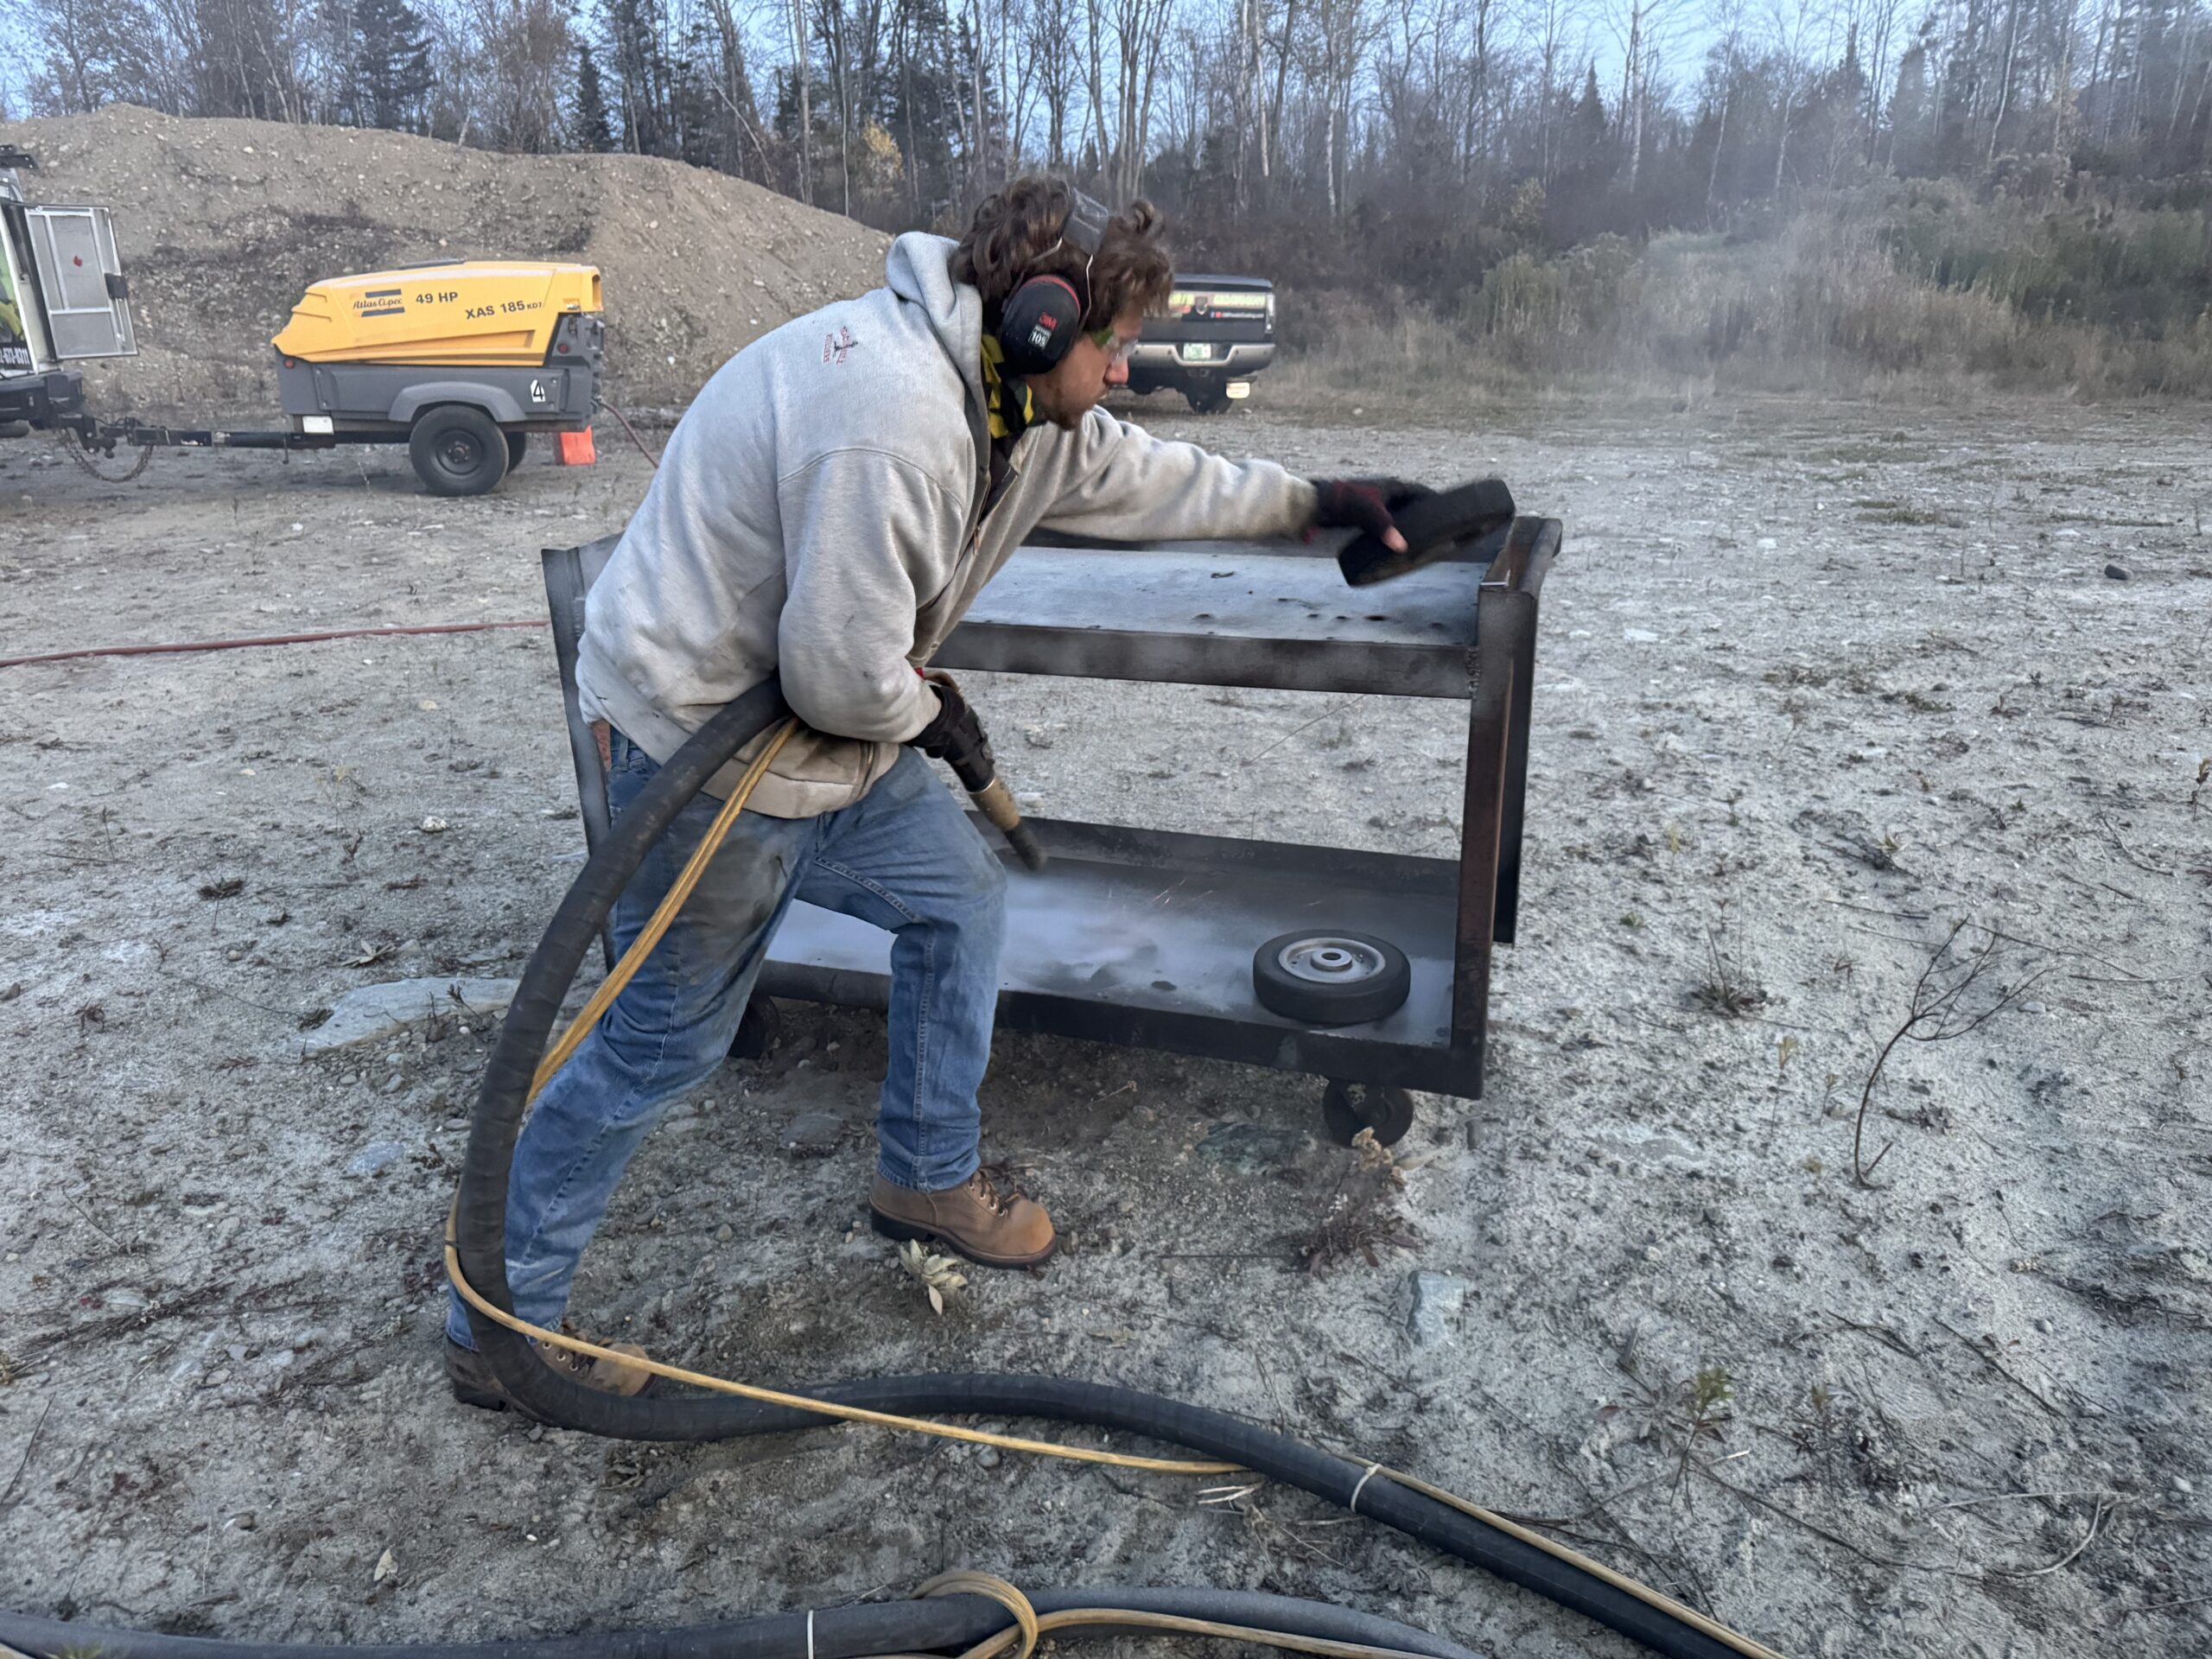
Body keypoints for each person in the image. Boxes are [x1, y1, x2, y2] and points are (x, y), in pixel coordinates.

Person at [445, 177, 1408, 1413]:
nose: (1120, 377)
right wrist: (931, 713)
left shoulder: (1020, 404)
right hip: (704, 743)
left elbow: (1145, 474)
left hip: (827, 732)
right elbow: (840, 670)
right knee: (657, 1049)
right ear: (1048, 326)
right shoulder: (891, 413)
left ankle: (924, 1174)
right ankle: (499, 1321)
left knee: (960, 901)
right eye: (1113, 350)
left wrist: (1318, 502)